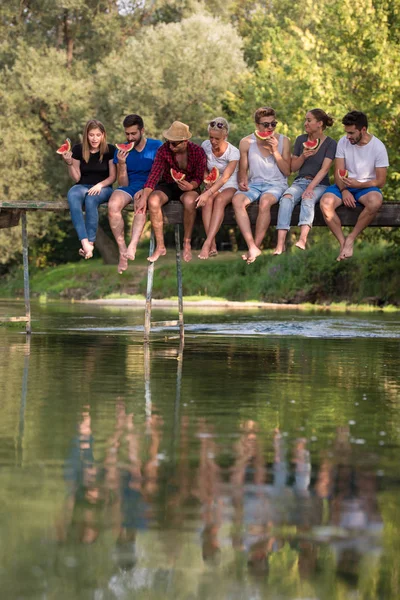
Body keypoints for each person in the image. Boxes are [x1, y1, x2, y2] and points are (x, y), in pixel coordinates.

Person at [320, 111, 389, 261]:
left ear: (363, 130)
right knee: (325, 203)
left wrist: (360, 184)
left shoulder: (378, 147)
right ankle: (342, 243)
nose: (348, 137)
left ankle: (351, 238)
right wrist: (344, 190)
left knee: (376, 201)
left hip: (366, 187)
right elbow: (338, 172)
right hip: (343, 185)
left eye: (351, 133)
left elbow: (381, 181)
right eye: (346, 132)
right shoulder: (343, 142)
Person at [140, 121, 207, 263]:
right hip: (168, 184)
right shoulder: (163, 150)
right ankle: (160, 245)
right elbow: (153, 176)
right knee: (153, 200)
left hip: (190, 185)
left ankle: (186, 242)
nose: (171, 146)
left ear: (185, 141)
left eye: (175, 144)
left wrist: (191, 186)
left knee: (190, 201)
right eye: (169, 142)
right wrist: (144, 196)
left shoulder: (197, 151)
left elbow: (199, 176)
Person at [232, 107, 291, 264]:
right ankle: (252, 245)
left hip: (277, 185)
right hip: (254, 185)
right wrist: (242, 181)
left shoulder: (284, 141)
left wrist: (275, 151)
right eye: (266, 125)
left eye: (273, 124)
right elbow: (243, 169)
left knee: (265, 202)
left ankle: (255, 247)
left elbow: (287, 171)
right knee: (237, 201)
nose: (270, 128)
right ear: (257, 125)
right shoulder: (246, 142)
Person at [274, 109, 336, 254]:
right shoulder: (301, 140)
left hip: (320, 184)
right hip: (300, 182)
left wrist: (310, 188)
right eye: (305, 120)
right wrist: (303, 156)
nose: (305, 123)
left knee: (308, 199)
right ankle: (280, 243)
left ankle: (302, 239)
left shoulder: (331, 143)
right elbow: (293, 168)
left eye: (309, 120)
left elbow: (325, 169)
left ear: (319, 123)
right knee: (286, 198)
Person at [107, 114, 162, 273]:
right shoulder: (121, 151)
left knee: (141, 204)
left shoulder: (156, 146)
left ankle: (133, 246)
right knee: (113, 205)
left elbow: (161, 174)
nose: (130, 138)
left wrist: (146, 190)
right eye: (127, 134)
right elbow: (123, 184)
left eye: (133, 133)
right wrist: (122, 164)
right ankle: (122, 249)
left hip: (150, 186)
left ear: (142, 130)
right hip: (130, 186)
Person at [62, 119, 116, 259]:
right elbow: (77, 178)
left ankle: (91, 242)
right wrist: (69, 164)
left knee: (91, 200)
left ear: (103, 135)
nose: (94, 138)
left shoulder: (110, 150)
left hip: (104, 187)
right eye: (91, 135)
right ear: (86, 135)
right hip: (82, 186)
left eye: (98, 135)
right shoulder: (78, 149)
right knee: (72, 196)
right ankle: (85, 242)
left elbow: (112, 177)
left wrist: (99, 185)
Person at [197, 117, 240, 259]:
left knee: (220, 200)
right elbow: (203, 167)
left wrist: (207, 192)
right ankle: (213, 243)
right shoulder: (205, 145)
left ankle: (206, 243)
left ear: (225, 136)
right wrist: (206, 179)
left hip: (229, 184)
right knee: (207, 202)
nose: (213, 142)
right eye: (211, 137)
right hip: (212, 182)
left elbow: (225, 177)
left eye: (217, 139)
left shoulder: (233, 152)